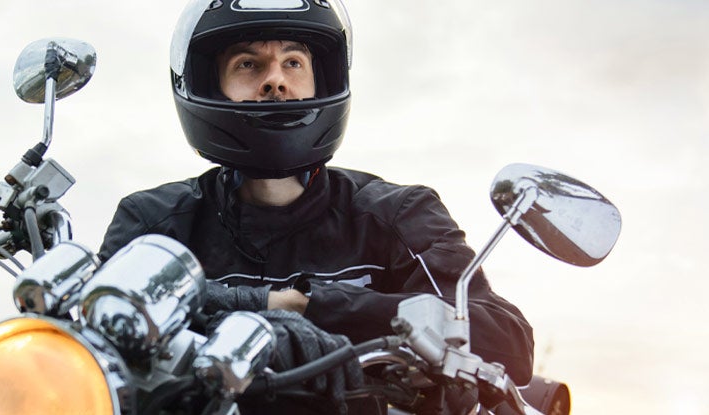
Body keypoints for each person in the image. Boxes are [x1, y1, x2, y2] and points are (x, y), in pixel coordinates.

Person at [98, 0, 534, 413]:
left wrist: (312, 307)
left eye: (293, 63)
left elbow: (506, 341)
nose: (275, 80)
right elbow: (94, 327)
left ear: (319, 79)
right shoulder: (155, 222)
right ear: (212, 85)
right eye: (248, 64)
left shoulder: (396, 214)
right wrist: (270, 307)